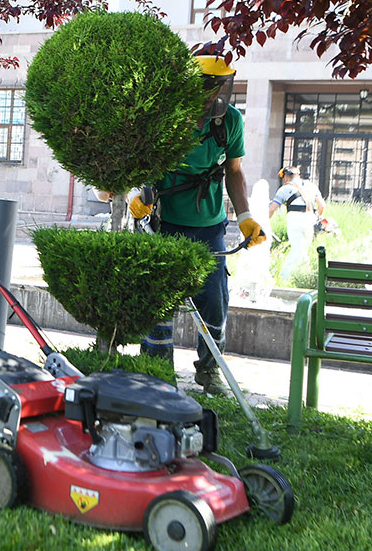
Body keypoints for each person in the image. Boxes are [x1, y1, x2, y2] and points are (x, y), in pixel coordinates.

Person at [127, 55, 267, 395]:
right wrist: (137, 192)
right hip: (165, 224)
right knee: (159, 301)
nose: (213, 94)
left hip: (210, 226)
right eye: (207, 86)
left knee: (215, 300)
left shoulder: (229, 121)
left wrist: (246, 215)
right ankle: (158, 372)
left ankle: (209, 370)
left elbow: (233, 171)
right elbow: (141, 163)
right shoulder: (164, 117)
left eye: (220, 86)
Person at [269, 166, 326, 280]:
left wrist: (265, 223)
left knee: (297, 248)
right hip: (310, 218)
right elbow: (322, 206)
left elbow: (272, 209)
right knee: (303, 249)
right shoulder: (311, 186)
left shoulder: (284, 189)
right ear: (298, 175)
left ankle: (284, 277)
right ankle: (308, 275)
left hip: (295, 219)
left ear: (285, 177)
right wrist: (317, 217)